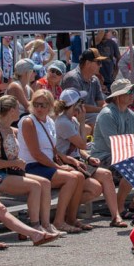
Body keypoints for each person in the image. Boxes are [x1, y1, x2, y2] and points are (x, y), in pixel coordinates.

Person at [0, 95, 61, 240]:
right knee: (35, 186)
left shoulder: (11, 130)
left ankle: (46, 225)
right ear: (12, 110)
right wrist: (14, 163)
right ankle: (35, 226)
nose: (20, 111)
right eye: (17, 108)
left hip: (13, 171)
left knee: (45, 183)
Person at [17, 88, 88, 233]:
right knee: (71, 178)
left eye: (43, 105)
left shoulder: (49, 121)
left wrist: (70, 160)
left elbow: (53, 150)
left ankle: (71, 218)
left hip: (46, 164)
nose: (39, 108)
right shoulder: (28, 121)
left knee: (79, 176)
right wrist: (59, 167)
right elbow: (36, 153)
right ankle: (59, 221)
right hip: (31, 166)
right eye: (36, 104)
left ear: (50, 106)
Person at [53, 89, 127, 228]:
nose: (83, 105)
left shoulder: (71, 120)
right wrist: (82, 122)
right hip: (66, 163)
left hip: (77, 161)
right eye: (81, 102)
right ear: (75, 105)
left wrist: (88, 157)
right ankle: (65, 212)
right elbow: (81, 143)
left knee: (106, 174)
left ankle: (116, 216)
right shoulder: (63, 122)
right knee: (95, 188)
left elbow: (78, 148)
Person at [90, 79, 134, 217]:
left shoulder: (131, 115)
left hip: (123, 155)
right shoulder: (107, 114)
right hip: (102, 159)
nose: (132, 94)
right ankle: (118, 208)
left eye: (133, 91)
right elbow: (113, 145)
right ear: (118, 95)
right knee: (131, 168)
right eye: (129, 91)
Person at [62, 50, 108, 122]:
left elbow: (101, 103)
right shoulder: (72, 78)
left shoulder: (95, 79)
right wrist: (101, 110)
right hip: (74, 117)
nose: (101, 65)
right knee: (101, 119)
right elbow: (77, 106)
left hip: (90, 115)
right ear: (88, 63)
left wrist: (107, 108)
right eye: (98, 62)